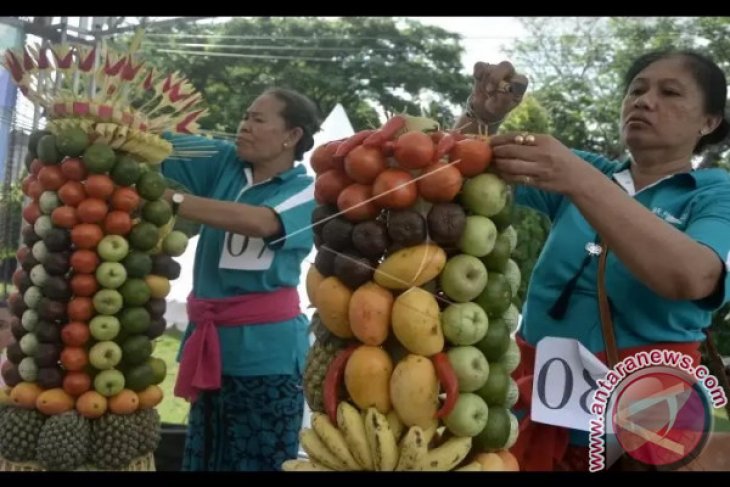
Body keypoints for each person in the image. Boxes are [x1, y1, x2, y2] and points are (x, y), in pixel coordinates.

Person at [457, 51, 730, 471]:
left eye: (669, 92)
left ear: (708, 122)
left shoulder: (714, 193)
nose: (643, 100)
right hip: (530, 410)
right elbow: (459, 175)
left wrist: (581, 182)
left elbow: (693, 276)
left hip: (646, 430)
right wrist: (482, 116)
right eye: (636, 90)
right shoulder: (584, 170)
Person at [160, 88, 321, 471]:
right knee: (203, 458)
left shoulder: (309, 190)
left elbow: (261, 222)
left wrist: (173, 200)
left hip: (268, 358)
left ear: (292, 136)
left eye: (258, 119)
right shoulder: (224, 163)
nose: (244, 126)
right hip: (210, 350)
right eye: (245, 117)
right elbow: (155, 143)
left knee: (259, 461)